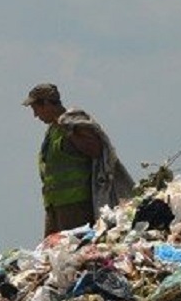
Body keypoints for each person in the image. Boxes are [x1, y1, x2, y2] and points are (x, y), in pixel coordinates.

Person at [23, 82, 134, 236]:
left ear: (47, 104)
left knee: (75, 249)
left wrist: (70, 132)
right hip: (55, 206)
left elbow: (95, 150)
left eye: (36, 109)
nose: (36, 115)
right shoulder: (53, 130)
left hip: (76, 206)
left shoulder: (73, 125)